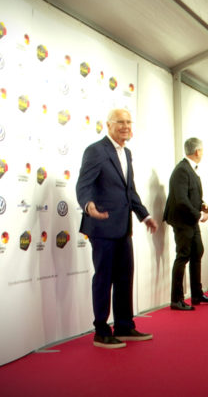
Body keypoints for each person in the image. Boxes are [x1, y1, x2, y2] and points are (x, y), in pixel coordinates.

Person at [75, 108, 158, 349]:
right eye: (120, 122)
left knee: (124, 277)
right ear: (108, 125)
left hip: (123, 227)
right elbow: (84, 184)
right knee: (104, 278)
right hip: (101, 225)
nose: (126, 126)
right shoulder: (95, 150)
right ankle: (101, 330)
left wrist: (144, 216)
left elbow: (129, 190)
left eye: (129, 122)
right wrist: (88, 205)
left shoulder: (127, 152)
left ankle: (124, 326)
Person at [164, 137, 208, 311]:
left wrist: (202, 204)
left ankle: (196, 294)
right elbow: (181, 200)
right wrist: (198, 215)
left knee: (197, 252)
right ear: (197, 152)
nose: (202, 153)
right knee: (183, 256)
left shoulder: (190, 169)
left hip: (190, 219)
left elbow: (190, 196)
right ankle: (176, 299)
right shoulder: (182, 170)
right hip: (182, 221)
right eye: (202, 151)